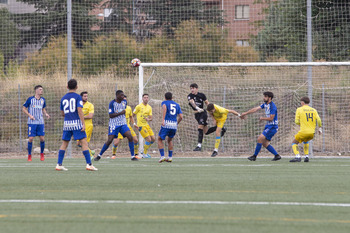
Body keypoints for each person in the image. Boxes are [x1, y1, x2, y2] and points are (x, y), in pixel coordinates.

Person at [56, 79, 98, 171]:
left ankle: (59, 164)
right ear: (77, 87)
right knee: (84, 142)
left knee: (64, 143)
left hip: (67, 123)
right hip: (76, 123)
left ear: (67, 87)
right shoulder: (78, 97)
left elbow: (62, 114)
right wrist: (83, 123)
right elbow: (79, 110)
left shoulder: (63, 98)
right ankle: (89, 164)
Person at [94, 90, 137, 161]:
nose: (123, 97)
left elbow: (124, 110)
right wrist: (121, 112)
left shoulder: (124, 102)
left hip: (123, 124)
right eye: (121, 95)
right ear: (117, 96)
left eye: (123, 95)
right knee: (110, 140)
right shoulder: (112, 103)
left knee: (130, 136)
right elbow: (111, 115)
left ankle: (133, 156)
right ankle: (99, 155)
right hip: (114, 124)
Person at [240, 92, 281, 161]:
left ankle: (254, 156)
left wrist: (262, 118)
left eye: (265, 96)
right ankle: (277, 155)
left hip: (273, 126)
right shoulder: (265, 104)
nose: (264, 98)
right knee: (264, 143)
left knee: (260, 139)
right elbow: (255, 109)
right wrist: (245, 113)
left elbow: (271, 118)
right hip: (268, 126)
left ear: (269, 98)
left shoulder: (272, 106)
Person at [290, 97, 322, 162]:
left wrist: (301, 123)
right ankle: (306, 156)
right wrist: (320, 128)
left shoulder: (299, 109)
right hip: (312, 133)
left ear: (302, 102)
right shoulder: (313, 110)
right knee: (305, 141)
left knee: (294, 142)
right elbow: (319, 120)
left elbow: (296, 121)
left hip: (304, 131)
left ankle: (298, 156)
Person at [22, 85, 50, 161]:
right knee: (31, 138)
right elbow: (24, 108)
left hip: (40, 122)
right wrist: (30, 115)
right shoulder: (30, 99)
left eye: (42, 89)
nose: (42, 91)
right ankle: (29, 155)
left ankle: (41, 154)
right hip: (32, 122)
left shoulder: (43, 100)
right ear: (36, 90)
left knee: (42, 138)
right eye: (40, 89)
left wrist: (46, 113)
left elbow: (43, 108)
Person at [158, 92, 183, 163]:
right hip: (174, 125)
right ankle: (170, 157)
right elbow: (181, 117)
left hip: (166, 124)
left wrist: (163, 120)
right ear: (172, 97)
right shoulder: (177, 105)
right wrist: (177, 123)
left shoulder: (164, 102)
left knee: (159, 139)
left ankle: (162, 156)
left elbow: (164, 108)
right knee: (170, 140)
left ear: (165, 97)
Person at [187, 83, 212, 151]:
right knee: (206, 131)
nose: (192, 90)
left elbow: (207, 103)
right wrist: (197, 108)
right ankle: (220, 128)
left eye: (193, 88)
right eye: (191, 88)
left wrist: (212, 110)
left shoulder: (202, 95)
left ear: (196, 89)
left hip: (203, 113)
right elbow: (192, 103)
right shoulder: (190, 96)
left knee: (200, 127)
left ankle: (199, 146)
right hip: (197, 114)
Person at [133, 94, 155, 158]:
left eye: (147, 97)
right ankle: (144, 154)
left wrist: (148, 119)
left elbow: (151, 118)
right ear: (142, 98)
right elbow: (132, 115)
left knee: (153, 139)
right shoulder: (138, 106)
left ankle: (143, 150)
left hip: (146, 125)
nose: (146, 99)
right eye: (145, 97)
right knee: (148, 139)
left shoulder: (149, 107)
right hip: (140, 126)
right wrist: (134, 123)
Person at [77, 91, 95, 159]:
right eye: (84, 96)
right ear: (81, 97)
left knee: (83, 142)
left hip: (88, 126)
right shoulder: (78, 105)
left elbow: (90, 116)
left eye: (87, 96)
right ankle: (91, 151)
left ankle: (90, 155)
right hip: (79, 126)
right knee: (78, 143)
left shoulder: (90, 105)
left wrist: (81, 116)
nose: (86, 97)